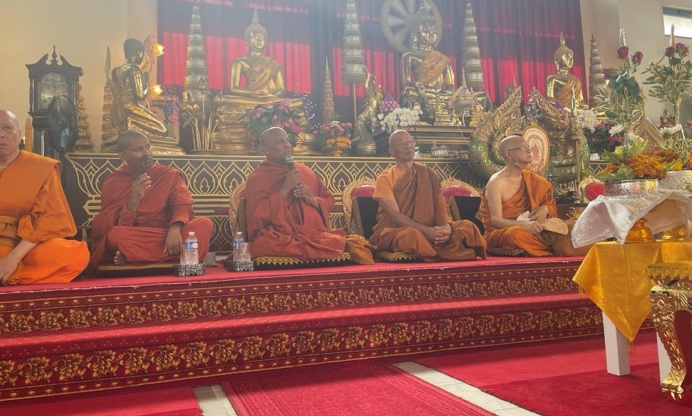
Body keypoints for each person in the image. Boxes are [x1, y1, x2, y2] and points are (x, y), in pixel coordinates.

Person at [0, 109, 89, 288]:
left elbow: (50, 219)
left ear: (20, 135)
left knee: (70, 254)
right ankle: (5, 277)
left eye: (7, 128)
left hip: (22, 241)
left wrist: (12, 259)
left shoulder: (40, 167)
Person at [88, 130, 213, 271]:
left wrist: (175, 227)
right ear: (123, 156)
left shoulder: (168, 175)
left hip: (167, 235)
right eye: (138, 150)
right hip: (139, 238)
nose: (146, 153)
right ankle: (174, 258)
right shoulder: (114, 181)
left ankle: (134, 258)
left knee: (203, 224)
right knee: (116, 236)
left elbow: (183, 204)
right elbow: (108, 225)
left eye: (147, 147)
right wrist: (134, 198)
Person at [242, 127, 370, 262]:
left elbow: (329, 200)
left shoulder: (304, 171)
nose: (287, 145)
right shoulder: (258, 178)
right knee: (265, 244)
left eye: (287, 141)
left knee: (334, 240)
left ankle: (316, 246)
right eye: (280, 142)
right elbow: (257, 219)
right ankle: (318, 248)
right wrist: (285, 189)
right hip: (280, 235)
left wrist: (313, 199)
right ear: (266, 149)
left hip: (312, 234)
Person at [370, 130, 486, 261]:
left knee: (467, 227)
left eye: (410, 142)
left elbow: (439, 205)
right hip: (398, 229)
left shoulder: (427, 173)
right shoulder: (385, 178)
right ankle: (442, 251)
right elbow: (395, 215)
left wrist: (445, 228)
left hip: (431, 228)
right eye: (402, 144)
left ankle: (436, 248)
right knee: (411, 236)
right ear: (391, 151)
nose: (408, 146)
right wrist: (426, 231)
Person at [478, 134, 589, 256]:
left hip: (536, 226)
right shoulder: (496, 182)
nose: (529, 150)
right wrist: (524, 225)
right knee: (515, 235)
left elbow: (549, 204)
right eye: (523, 147)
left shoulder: (533, 179)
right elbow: (496, 220)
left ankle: (548, 246)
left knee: (572, 225)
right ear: (509, 154)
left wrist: (545, 209)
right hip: (507, 230)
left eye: (528, 146)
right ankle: (556, 246)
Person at [212, 11, 306, 153]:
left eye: (262, 37)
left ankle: (269, 112)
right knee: (226, 99)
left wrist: (267, 95)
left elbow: (281, 89)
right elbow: (234, 88)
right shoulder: (239, 62)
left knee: (297, 102)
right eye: (255, 36)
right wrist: (253, 94)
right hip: (249, 99)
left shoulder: (273, 63)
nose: (259, 39)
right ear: (246, 41)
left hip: (270, 99)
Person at [400, 14, 455, 125]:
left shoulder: (444, 60)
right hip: (422, 93)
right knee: (408, 93)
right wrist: (416, 85)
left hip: (441, 95)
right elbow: (406, 83)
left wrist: (451, 96)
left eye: (434, 32)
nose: (431, 35)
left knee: (455, 98)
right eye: (426, 31)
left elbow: (451, 86)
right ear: (417, 34)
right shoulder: (408, 57)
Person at [110, 38, 170, 136]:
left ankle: (129, 125)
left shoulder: (116, 71)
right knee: (163, 130)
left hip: (117, 109)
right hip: (130, 107)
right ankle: (131, 124)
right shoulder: (135, 69)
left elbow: (114, 91)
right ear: (138, 52)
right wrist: (147, 84)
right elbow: (140, 95)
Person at [546, 34, 585, 111]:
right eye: (566, 57)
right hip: (562, 111)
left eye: (571, 58)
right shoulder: (552, 79)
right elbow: (550, 100)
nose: (570, 60)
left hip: (576, 110)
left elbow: (581, 102)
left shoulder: (576, 80)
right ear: (557, 61)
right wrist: (564, 108)